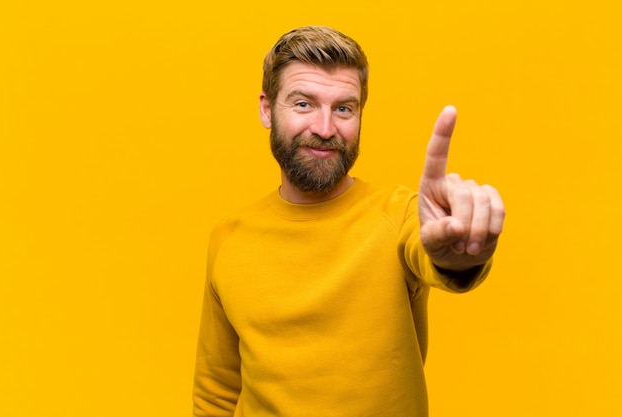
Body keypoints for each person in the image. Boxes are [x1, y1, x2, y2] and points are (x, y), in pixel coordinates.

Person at [193, 26, 505, 417]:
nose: (325, 129)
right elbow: (217, 392)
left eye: (344, 108)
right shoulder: (228, 238)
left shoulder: (402, 214)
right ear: (266, 109)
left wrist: (460, 259)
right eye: (304, 104)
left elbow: (432, 254)